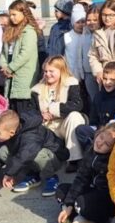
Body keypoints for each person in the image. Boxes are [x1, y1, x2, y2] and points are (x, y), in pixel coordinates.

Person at [56, 123, 115, 223]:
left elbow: (108, 190)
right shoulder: (90, 150)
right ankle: (75, 213)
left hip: (104, 199)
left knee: (81, 202)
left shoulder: (110, 160)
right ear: (99, 133)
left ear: (112, 149)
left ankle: (89, 219)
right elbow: (81, 179)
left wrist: (75, 203)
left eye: (106, 144)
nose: (100, 143)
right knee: (61, 190)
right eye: (101, 137)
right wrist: (69, 204)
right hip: (90, 190)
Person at [32, 55, 87, 188]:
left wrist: (53, 109)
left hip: (64, 123)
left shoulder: (71, 83)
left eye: (52, 71)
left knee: (75, 116)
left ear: (61, 70)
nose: (48, 74)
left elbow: (77, 104)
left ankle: (75, 159)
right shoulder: (37, 89)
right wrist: (41, 115)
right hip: (48, 126)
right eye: (45, 71)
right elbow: (31, 112)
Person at [0, 0, 41, 118]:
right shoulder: (9, 31)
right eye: (10, 15)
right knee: (12, 111)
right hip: (9, 73)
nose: (12, 18)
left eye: (15, 14)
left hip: (23, 75)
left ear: (24, 13)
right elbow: (3, 52)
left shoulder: (29, 31)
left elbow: (25, 54)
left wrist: (10, 68)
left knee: (23, 112)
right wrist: (4, 66)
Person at [64, 3, 93, 104]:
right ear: (73, 23)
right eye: (78, 22)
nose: (81, 24)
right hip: (71, 74)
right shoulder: (67, 37)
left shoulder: (88, 36)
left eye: (83, 22)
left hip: (86, 74)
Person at [90, 61, 115, 128]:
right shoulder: (98, 96)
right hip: (99, 130)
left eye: (112, 79)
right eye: (105, 79)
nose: (107, 82)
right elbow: (93, 120)